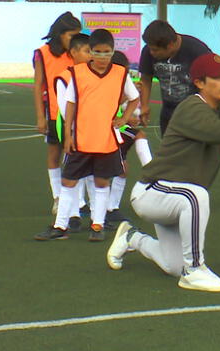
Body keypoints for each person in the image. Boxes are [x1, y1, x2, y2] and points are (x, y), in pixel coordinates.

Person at [106, 53, 220, 292]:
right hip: (153, 192)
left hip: (175, 198)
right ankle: (194, 271)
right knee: (196, 196)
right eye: (217, 77)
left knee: (172, 265)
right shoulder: (191, 107)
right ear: (200, 83)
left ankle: (132, 238)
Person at [34, 29, 140, 242]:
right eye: (98, 52)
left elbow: (135, 97)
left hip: (106, 141)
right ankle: (60, 226)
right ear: (90, 52)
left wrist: (124, 118)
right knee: (68, 180)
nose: (102, 57)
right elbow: (70, 104)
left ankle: (97, 225)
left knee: (102, 183)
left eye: (107, 52)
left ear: (113, 51)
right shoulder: (78, 73)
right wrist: (69, 135)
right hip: (81, 139)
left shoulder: (120, 73)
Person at [33, 12, 82, 215]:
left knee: (76, 157)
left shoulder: (77, 52)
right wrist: (40, 117)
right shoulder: (42, 54)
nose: (75, 40)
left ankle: (78, 202)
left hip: (78, 114)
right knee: (54, 155)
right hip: (55, 114)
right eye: (72, 35)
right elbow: (38, 87)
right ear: (60, 34)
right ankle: (58, 197)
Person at [47, 33, 92, 233]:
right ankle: (72, 214)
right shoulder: (65, 77)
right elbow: (66, 110)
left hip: (90, 129)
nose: (91, 55)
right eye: (87, 51)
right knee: (73, 170)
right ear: (73, 52)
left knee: (89, 171)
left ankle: (88, 211)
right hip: (71, 129)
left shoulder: (91, 76)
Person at [138, 20, 212, 136]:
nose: (151, 52)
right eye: (150, 48)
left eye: (155, 50)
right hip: (169, 113)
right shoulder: (148, 51)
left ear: (170, 45)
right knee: (169, 151)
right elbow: (146, 79)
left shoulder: (197, 51)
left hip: (196, 112)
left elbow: (213, 80)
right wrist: (144, 106)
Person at [106, 51, 154, 224]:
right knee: (139, 137)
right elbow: (111, 104)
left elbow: (128, 109)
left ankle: (110, 208)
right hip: (108, 127)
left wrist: (132, 115)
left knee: (122, 168)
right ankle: (152, 174)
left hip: (118, 125)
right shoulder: (108, 82)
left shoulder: (122, 81)